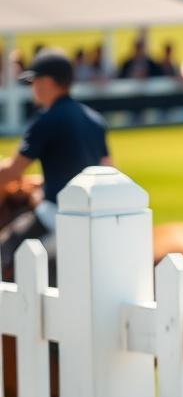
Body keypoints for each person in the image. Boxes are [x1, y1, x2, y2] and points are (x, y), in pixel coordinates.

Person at [0, 49, 111, 277]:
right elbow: (109, 170)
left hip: (56, 211)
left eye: (34, 81)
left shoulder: (45, 119)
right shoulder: (94, 119)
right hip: (95, 211)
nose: (33, 87)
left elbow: (13, 171)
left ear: (48, 82)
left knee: (5, 249)